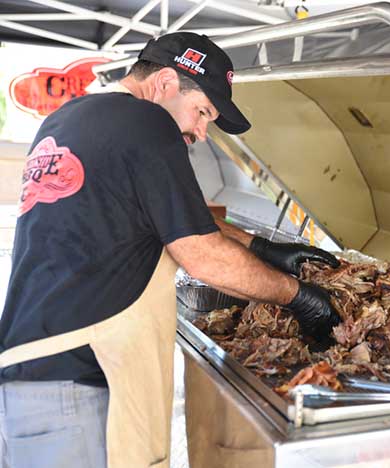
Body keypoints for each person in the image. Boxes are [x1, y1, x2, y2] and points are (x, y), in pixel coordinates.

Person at [0, 32, 341, 468]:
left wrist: (262, 247)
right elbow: (200, 254)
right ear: (163, 83)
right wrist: (296, 295)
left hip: (33, 377)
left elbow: (174, 215)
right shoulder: (148, 124)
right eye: (201, 112)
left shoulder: (74, 117)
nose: (201, 131)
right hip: (81, 385)